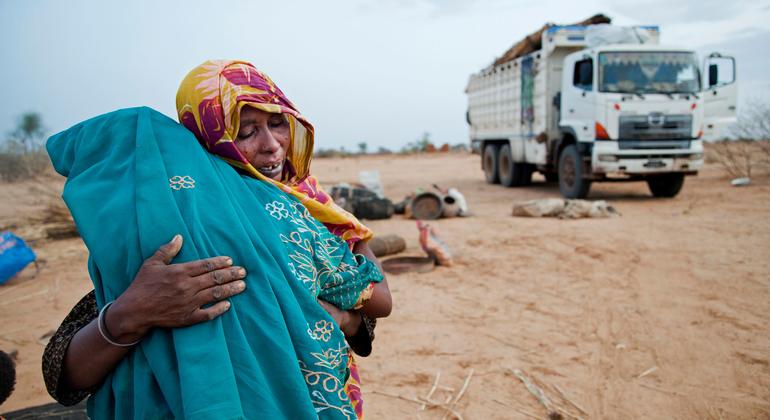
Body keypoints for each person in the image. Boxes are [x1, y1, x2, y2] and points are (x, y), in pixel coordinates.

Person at [42, 60, 391, 419]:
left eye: (277, 123)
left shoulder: (307, 208)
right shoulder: (180, 224)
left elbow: (360, 313)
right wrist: (132, 312)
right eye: (245, 131)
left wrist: (344, 319)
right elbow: (61, 373)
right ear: (209, 140)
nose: (272, 146)